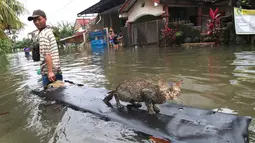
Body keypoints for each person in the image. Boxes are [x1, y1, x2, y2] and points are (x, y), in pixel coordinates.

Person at [28, 9, 63, 89]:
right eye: (34, 20)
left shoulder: (43, 35)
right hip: (57, 70)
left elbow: (47, 55)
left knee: (50, 99)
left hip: (50, 74)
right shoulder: (49, 31)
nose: (37, 22)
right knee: (60, 95)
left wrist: (50, 72)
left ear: (45, 19)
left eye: (39, 19)